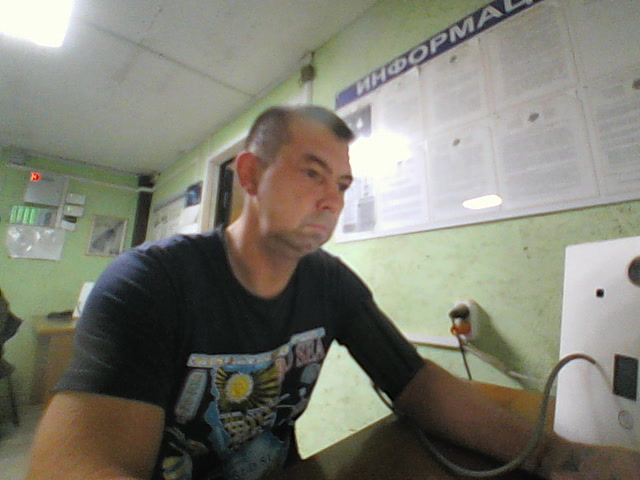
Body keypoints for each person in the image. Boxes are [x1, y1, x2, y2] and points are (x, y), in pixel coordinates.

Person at [26, 105, 640, 480]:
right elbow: (70, 464)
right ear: (250, 175)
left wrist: (556, 457)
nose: (332, 200)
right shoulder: (149, 283)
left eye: (342, 185)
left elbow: (416, 384)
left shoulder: (330, 282)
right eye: (312, 173)